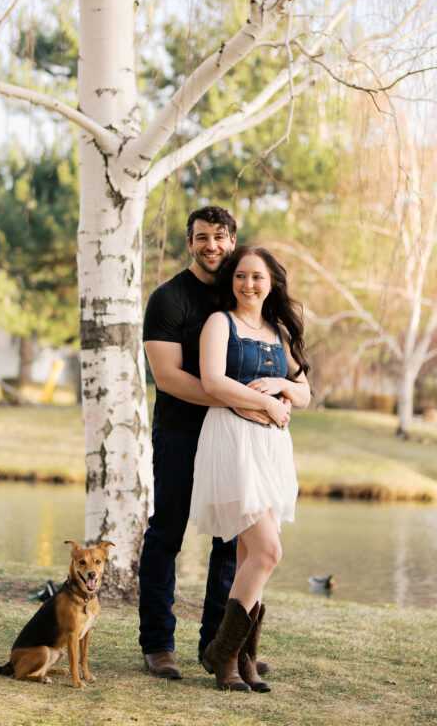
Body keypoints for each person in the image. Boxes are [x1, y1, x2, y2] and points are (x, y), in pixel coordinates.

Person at [139, 205, 272, 680]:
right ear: (189, 242)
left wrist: (281, 395)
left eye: (220, 236)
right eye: (201, 237)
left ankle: (221, 645)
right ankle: (158, 645)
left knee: (231, 538)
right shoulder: (168, 299)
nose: (211, 245)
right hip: (180, 431)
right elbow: (167, 377)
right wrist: (230, 402)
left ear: (233, 240)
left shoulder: (245, 290)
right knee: (166, 533)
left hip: (235, 438)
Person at [189, 244, 312, 693]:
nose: (248, 284)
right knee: (268, 552)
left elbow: (305, 394)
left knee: (248, 557)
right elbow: (212, 382)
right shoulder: (219, 323)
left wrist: (282, 384)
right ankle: (222, 651)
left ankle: (242, 658)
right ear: (232, 281)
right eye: (240, 276)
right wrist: (265, 401)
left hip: (270, 448)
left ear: (271, 282)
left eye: (257, 277)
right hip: (232, 441)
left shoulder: (279, 331)